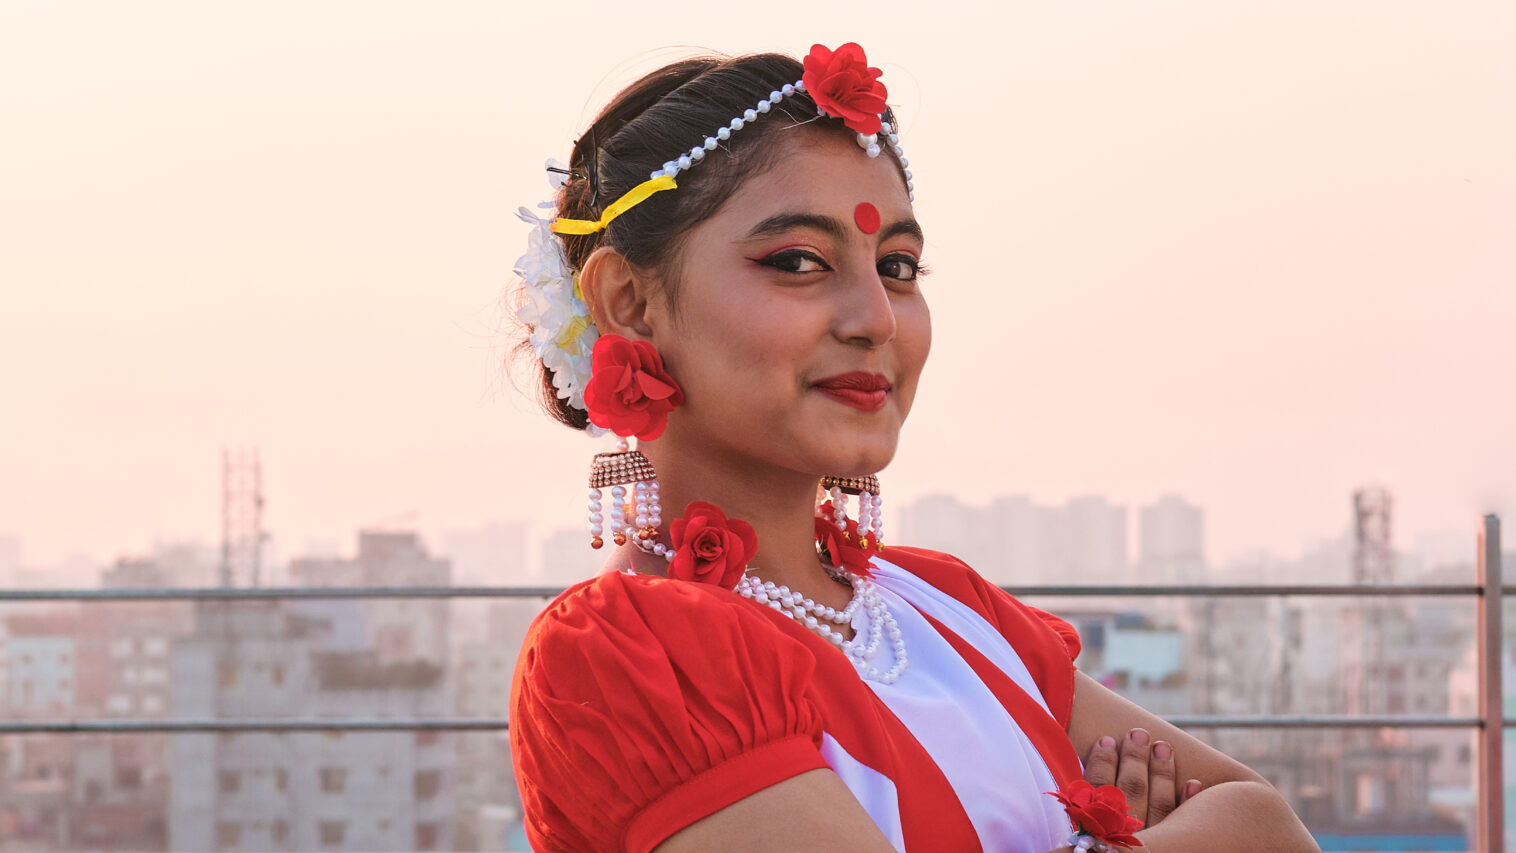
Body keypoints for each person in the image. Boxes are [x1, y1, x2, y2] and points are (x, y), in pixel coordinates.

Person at [508, 43, 1318, 853]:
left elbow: (1266, 824)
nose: (876, 317)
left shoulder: (949, 606)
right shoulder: (630, 655)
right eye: (798, 262)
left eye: (897, 265)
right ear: (629, 301)